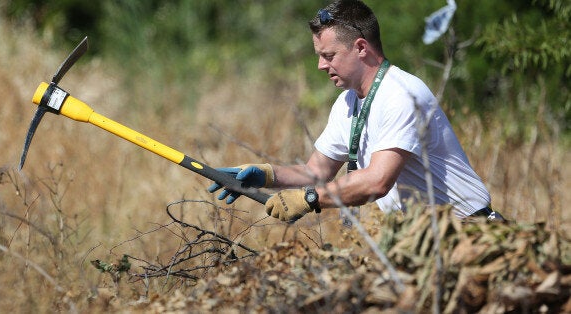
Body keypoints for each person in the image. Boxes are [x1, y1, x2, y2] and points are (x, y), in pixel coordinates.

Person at [208, 0, 505, 223]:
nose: (321, 66)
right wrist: (263, 175)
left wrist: (309, 198)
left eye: (329, 56)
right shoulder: (347, 103)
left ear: (361, 47)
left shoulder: (400, 95)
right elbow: (316, 171)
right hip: (420, 243)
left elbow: (377, 181)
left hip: (469, 233)